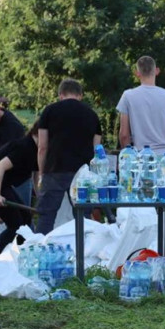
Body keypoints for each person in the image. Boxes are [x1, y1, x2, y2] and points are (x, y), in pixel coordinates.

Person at [35, 79, 102, 235]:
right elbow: (97, 149)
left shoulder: (49, 111)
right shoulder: (91, 115)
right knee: (83, 216)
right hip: (83, 173)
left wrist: (41, 172)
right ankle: (84, 251)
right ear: (80, 95)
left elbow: (42, 147)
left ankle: (40, 250)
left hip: (54, 169)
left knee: (46, 216)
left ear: (60, 95)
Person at [116, 56, 165, 176]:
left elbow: (124, 135)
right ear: (157, 71)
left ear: (137, 73)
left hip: (140, 160)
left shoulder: (128, 96)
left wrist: (128, 159)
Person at [0, 125, 39, 257]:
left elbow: (35, 172)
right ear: (38, 134)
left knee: (25, 219)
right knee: (15, 225)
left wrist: (38, 194)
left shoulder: (37, 149)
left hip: (4, 185)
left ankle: (20, 255)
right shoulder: (23, 147)